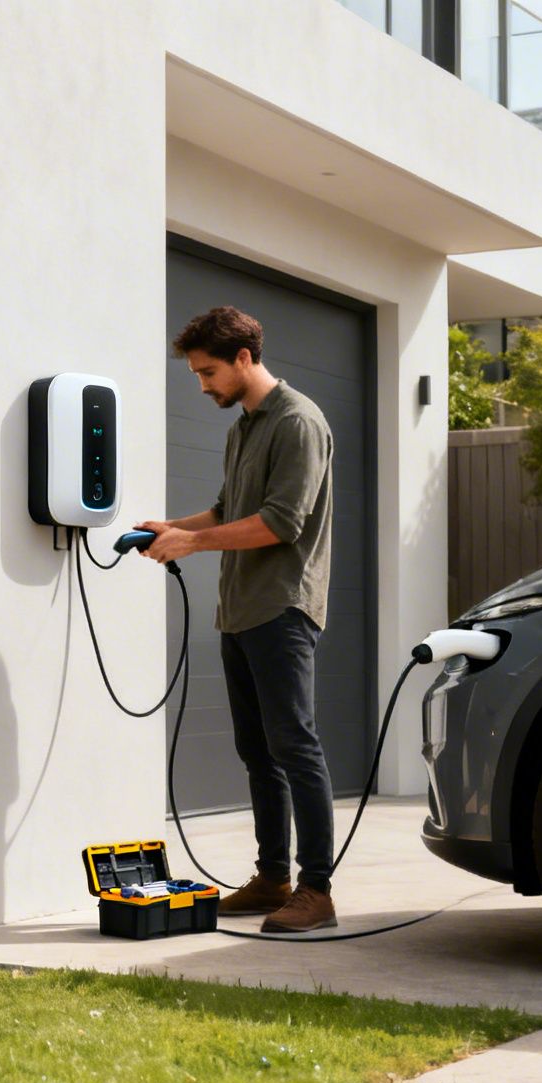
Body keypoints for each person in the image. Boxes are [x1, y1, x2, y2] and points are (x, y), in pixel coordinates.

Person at [135, 305, 338, 933]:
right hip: (240, 610)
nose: (202, 386)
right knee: (257, 750)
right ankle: (273, 876)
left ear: (245, 358)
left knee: (294, 745)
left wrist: (192, 546)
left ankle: (317, 889)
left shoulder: (298, 422)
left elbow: (281, 523)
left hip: (282, 606)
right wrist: (173, 527)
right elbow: (229, 506)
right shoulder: (244, 426)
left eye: (208, 372)